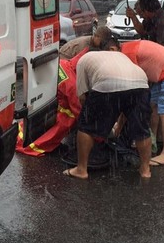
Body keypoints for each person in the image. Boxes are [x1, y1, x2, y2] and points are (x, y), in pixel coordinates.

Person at [63, 36, 152, 179]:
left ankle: (81, 169)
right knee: (141, 129)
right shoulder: (122, 57)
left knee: (86, 127)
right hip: (141, 83)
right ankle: (145, 170)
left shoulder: (83, 60)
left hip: (106, 82)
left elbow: (82, 97)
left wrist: (90, 118)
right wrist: (118, 126)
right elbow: (125, 102)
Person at [117, 38, 164, 166]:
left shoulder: (127, 55)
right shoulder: (128, 48)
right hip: (163, 73)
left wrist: (119, 124)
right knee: (151, 107)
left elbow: (130, 87)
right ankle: (152, 142)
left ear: (113, 50)